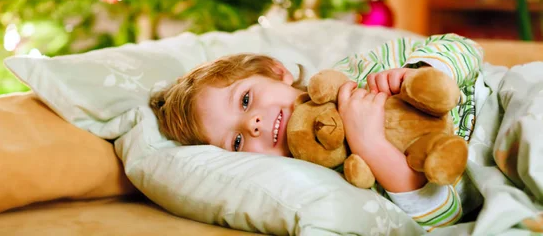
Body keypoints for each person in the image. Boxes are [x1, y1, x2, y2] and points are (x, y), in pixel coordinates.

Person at [151, 33, 487, 231]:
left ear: (275, 71)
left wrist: (419, 72)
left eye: (245, 100)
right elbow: (445, 219)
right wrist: (370, 146)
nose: (253, 124)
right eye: (237, 141)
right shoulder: (335, 178)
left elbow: (464, 48)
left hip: (496, 105)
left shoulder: (357, 73)